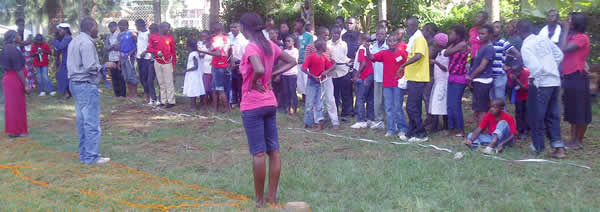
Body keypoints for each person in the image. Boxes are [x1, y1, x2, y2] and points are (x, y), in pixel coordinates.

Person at [238, 12, 297, 207]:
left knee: (258, 153)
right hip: (270, 103)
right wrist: (271, 76)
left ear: (246, 29)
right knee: (274, 151)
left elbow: (259, 69)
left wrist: (256, 80)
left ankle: (259, 201)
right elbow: (292, 61)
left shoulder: (251, 47)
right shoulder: (270, 45)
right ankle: (271, 196)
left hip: (252, 104)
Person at [67, 18, 114, 165]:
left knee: (82, 122)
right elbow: (90, 67)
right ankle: (92, 157)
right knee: (92, 123)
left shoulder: (75, 40)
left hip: (75, 84)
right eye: (96, 27)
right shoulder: (87, 43)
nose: (98, 30)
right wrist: (104, 65)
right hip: (85, 85)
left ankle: (84, 155)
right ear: (90, 27)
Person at [517, 19, 566, 158]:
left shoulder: (526, 46)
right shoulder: (543, 38)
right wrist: (551, 68)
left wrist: (534, 77)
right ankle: (559, 149)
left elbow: (535, 68)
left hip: (541, 84)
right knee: (553, 115)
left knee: (536, 116)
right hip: (554, 81)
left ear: (519, 32)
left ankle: (538, 147)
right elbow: (559, 55)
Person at [365, 34, 409, 138]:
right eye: (390, 41)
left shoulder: (402, 53)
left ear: (397, 43)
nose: (392, 43)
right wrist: (367, 49)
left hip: (398, 84)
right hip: (387, 84)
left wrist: (404, 77)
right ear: (387, 43)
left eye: (394, 41)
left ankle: (402, 129)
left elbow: (408, 64)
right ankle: (391, 129)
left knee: (398, 107)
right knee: (388, 107)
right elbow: (371, 57)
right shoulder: (384, 53)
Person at [559, 12, 591, 150]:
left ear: (575, 23)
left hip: (578, 77)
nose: (566, 21)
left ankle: (579, 141)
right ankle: (572, 139)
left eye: (569, 20)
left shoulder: (582, 38)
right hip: (569, 77)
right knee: (572, 109)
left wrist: (565, 29)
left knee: (580, 110)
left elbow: (564, 50)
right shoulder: (571, 36)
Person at [399, 16, 430, 142]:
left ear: (415, 26)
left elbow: (418, 56)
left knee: (412, 107)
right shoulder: (414, 39)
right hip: (412, 77)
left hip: (418, 78)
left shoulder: (419, 39)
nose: (407, 29)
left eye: (409, 26)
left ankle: (421, 133)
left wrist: (403, 65)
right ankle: (411, 132)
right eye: (406, 26)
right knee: (413, 106)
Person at [304, 27, 339, 129]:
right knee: (316, 100)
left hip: (327, 78)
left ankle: (334, 121)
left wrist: (329, 69)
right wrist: (315, 75)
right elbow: (307, 63)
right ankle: (317, 120)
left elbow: (330, 61)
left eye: (328, 35)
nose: (327, 37)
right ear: (319, 35)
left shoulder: (326, 48)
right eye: (326, 35)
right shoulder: (310, 47)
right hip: (315, 79)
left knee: (330, 99)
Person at [1, 30, 30, 138]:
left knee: (11, 106)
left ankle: (13, 130)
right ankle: (20, 130)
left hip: (8, 79)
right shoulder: (12, 49)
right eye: (17, 35)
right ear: (13, 38)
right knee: (18, 106)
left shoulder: (6, 48)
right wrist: (26, 84)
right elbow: (18, 69)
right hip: (15, 79)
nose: (19, 36)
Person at [198, 23, 231, 113]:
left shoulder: (215, 39)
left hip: (218, 65)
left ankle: (227, 110)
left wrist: (203, 51)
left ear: (214, 30)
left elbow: (217, 53)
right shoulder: (226, 38)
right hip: (224, 64)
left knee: (220, 89)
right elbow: (227, 52)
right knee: (213, 88)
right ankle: (215, 109)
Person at [466, 24, 495, 124]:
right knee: (477, 108)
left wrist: (470, 77)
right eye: (480, 34)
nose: (480, 36)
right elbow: (475, 64)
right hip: (477, 80)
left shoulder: (489, 48)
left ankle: (482, 131)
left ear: (490, 35)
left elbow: (482, 66)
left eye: (483, 34)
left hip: (483, 81)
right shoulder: (482, 46)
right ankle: (479, 129)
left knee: (482, 108)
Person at [444, 24, 469, 137]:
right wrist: (452, 42)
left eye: (452, 33)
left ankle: (460, 129)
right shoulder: (455, 44)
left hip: (460, 78)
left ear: (458, 35)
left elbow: (447, 53)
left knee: (455, 104)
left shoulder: (462, 44)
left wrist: (451, 44)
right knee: (449, 104)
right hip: (452, 76)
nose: (450, 35)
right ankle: (451, 128)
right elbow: (446, 52)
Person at [146, 22, 177, 108]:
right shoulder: (153, 37)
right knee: (161, 82)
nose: (168, 30)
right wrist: (157, 52)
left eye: (169, 28)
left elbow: (173, 52)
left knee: (169, 82)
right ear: (161, 28)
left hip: (167, 62)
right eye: (167, 28)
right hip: (157, 61)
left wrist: (174, 65)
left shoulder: (170, 37)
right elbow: (149, 48)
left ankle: (171, 101)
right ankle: (163, 101)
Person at [350, 33, 376, 129]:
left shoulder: (362, 48)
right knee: (370, 98)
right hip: (371, 75)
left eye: (359, 39)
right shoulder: (371, 47)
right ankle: (370, 119)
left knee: (360, 98)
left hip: (364, 75)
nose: (358, 41)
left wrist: (356, 75)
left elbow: (363, 63)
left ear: (361, 40)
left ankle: (361, 120)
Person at [490, 21, 520, 101]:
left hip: (499, 76)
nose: (494, 29)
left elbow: (517, 54)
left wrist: (510, 67)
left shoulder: (503, 42)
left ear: (501, 31)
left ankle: (503, 114)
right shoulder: (488, 42)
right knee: (492, 102)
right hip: (489, 75)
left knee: (500, 101)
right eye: (493, 26)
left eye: (497, 27)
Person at [329, 26, 353, 121]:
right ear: (332, 33)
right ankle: (334, 114)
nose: (336, 35)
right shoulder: (327, 44)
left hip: (343, 71)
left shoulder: (344, 44)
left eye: (338, 33)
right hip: (332, 73)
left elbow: (344, 56)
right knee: (334, 95)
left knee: (345, 95)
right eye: (334, 33)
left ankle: (344, 114)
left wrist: (349, 61)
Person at [369, 27, 389, 129]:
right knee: (377, 100)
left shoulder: (388, 46)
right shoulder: (373, 46)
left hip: (387, 77)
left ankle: (390, 120)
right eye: (377, 34)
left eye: (381, 34)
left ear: (386, 35)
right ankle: (379, 120)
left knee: (388, 100)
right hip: (377, 76)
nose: (379, 36)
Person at [505, 55, 530, 140]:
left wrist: (516, 80)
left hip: (527, 95)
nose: (514, 73)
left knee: (526, 113)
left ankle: (526, 130)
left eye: (517, 71)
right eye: (513, 71)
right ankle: (520, 130)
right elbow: (509, 86)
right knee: (518, 112)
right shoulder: (510, 74)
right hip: (518, 95)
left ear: (521, 69)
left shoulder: (526, 72)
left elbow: (526, 88)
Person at [428, 33, 449, 132]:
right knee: (436, 104)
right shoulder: (440, 53)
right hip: (438, 82)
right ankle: (437, 126)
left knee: (440, 104)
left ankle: (440, 127)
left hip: (443, 82)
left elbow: (445, 68)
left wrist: (436, 62)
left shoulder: (445, 53)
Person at [135, 19, 157, 105]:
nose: (136, 27)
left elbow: (151, 45)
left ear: (141, 25)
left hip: (147, 58)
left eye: (137, 25)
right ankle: (147, 95)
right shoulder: (138, 33)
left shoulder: (148, 34)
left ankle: (151, 97)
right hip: (140, 58)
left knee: (148, 78)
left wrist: (145, 52)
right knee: (142, 78)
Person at [422, 23, 440, 130]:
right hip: (428, 74)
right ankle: (430, 120)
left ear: (429, 31)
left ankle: (433, 123)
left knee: (429, 98)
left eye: (423, 30)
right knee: (427, 98)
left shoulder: (432, 43)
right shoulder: (428, 42)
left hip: (432, 75)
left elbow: (428, 56)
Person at [51, 23, 73, 99]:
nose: (59, 32)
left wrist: (53, 41)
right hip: (65, 60)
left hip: (68, 60)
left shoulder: (68, 38)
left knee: (63, 76)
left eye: (60, 30)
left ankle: (67, 93)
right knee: (63, 76)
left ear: (66, 30)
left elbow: (61, 46)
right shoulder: (65, 38)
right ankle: (67, 93)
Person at [117, 19, 138, 100]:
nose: (120, 27)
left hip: (130, 58)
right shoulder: (120, 35)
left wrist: (131, 53)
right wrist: (119, 61)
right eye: (119, 25)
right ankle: (130, 94)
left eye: (121, 25)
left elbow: (137, 45)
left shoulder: (131, 33)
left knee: (131, 75)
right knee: (126, 77)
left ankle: (135, 94)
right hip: (123, 58)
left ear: (126, 26)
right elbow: (120, 48)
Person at [229, 22, 249, 106]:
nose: (233, 29)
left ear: (239, 28)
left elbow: (245, 55)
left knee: (240, 84)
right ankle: (234, 101)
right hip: (231, 63)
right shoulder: (230, 37)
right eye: (231, 27)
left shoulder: (243, 40)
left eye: (235, 27)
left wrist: (241, 66)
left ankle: (242, 102)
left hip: (239, 64)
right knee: (233, 84)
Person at [104, 22, 126, 97]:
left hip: (118, 58)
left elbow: (119, 46)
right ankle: (117, 94)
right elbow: (106, 47)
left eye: (112, 27)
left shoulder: (119, 35)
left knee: (120, 76)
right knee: (114, 76)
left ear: (115, 27)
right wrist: (112, 46)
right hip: (111, 58)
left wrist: (112, 46)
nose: (111, 29)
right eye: (110, 28)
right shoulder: (108, 36)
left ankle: (123, 94)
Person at [182, 39, 205, 109]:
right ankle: (192, 105)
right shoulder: (195, 53)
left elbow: (196, 66)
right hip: (192, 74)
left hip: (193, 74)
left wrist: (186, 70)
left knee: (192, 89)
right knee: (192, 89)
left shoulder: (193, 54)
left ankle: (193, 106)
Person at [294, 18, 314, 100]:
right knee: (300, 82)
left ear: (301, 25)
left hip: (306, 63)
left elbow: (310, 49)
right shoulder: (295, 36)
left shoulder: (309, 36)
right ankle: (304, 99)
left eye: (296, 24)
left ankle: (309, 99)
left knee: (306, 81)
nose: (295, 26)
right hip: (297, 62)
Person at [281, 35, 300, 115]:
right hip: (285, 74)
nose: (287, 42)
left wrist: (287, 61)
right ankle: (288, 108)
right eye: (286, 41)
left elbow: (293, 62)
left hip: (292, 74)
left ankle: (295, 108)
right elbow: (282, 62)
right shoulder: (284, 51)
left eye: (289, 41)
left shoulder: (296, 51)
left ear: (293, 42)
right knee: (286, 92)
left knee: (292, 91)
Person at [198, 30, 214, 106]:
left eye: (205, 36)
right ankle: (203, 101)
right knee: (203, 84)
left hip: (210, 66)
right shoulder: (199, 43)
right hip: (201, 65)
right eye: (202, 36)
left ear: (208, 36)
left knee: (210, 85)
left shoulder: (212, 44)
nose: (203, 38)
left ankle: (211, 100)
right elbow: (199, 54)